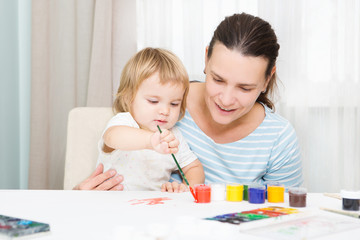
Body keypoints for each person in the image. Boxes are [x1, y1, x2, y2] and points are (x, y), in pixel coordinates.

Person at [73, 12, 303, 191]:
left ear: (267, 79)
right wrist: (80, 195)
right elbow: (116, 138)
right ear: (206, 58)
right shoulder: (169, 107)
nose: (225, 99)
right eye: (218, 79)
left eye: (245, 87)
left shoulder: (278, 138)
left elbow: (284, 212)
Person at [92, 47, 204, 192]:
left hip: (152, 208)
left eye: (174, 103)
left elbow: (194, 167)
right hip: (113, 204)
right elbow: (112, 137)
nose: (165, 111)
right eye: (153, 101)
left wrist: (185, 187)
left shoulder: (173, 136)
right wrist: (150, 141)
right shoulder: (124, 121)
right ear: (128, 98)